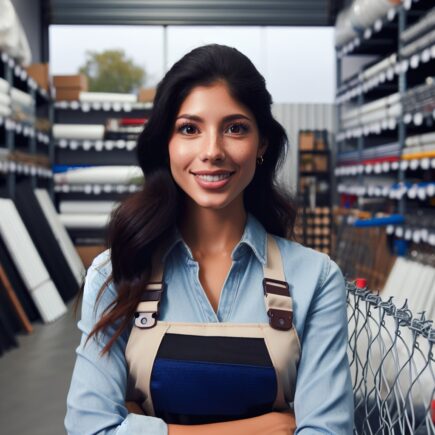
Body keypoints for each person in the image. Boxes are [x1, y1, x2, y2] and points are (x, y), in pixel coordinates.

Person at [65, 43, 354, 435]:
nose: (212, 151)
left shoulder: (316, 279)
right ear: (166, 143)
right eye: (190, 129)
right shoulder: (116, 273)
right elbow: (90, 429)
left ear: (262, 144)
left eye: (235, 128)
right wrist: (264, 428)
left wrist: (143, 425)